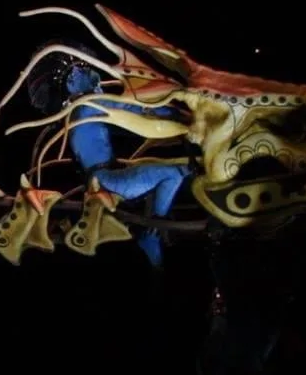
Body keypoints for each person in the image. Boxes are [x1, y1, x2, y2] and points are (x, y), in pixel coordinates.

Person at [29, 57, 196, 266]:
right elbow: (134, 108)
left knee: (158, 168)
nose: (89, 71)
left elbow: (126, 124)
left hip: (106, 175)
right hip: (107, 178)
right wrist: (178, 114)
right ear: (71, 83)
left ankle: (154, 231)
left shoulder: (78, 112)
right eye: (80, 70)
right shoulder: (90, 104)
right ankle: (154, 230)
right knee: (174, 172)